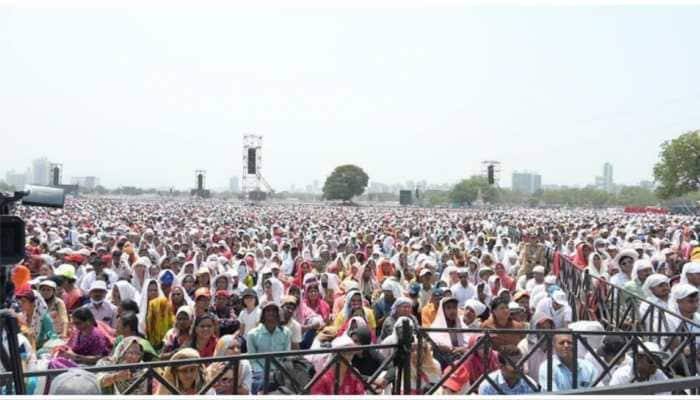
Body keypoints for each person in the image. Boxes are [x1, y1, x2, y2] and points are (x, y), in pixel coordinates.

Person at [246, 301, 292, 394]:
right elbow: (253, 359)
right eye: (268, 310)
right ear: (263, 314)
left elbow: (286, 355)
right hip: (260, 372)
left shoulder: (286, 332)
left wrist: (279, 371)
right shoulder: (252, 334)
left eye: (274, 310)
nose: (271, 313)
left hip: (281, 370)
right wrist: (264, 373)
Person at [429, 296, 469, 368]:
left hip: (460, 356)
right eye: (448, 308)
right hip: (444, 359)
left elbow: (469, 340)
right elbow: (435, 344)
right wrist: (452, 349)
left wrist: (463, 349)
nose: (452, 311)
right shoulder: (436, 326)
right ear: (443, 310)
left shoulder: (460, 324)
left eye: (454, 307)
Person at [15, 285, 55, 350]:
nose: (20, 304)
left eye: (23, 301)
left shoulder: (43, 317)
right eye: (19, 301)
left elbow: (52, 337)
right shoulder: (20, 316)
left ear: (33, 303)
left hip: (40, 349)